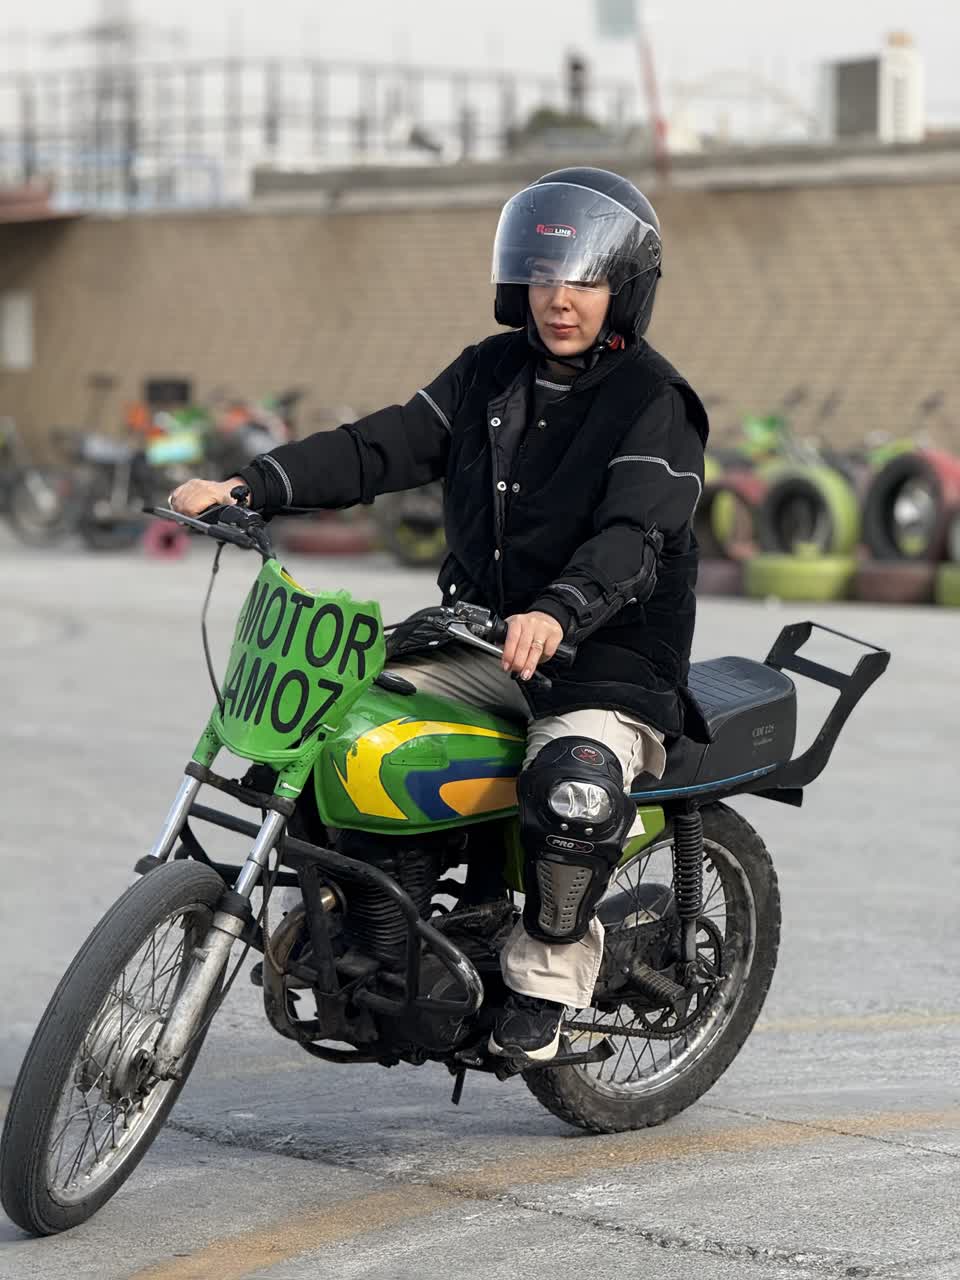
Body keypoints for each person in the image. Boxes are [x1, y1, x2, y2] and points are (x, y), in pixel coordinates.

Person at [171, 166, 709, 1064]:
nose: (560, 300)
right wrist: (251, 485)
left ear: (624, 290)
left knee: (571, 784)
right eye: (545, 277)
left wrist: (560, 609)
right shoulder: (487, 374)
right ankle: (359, 912)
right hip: (480, 640)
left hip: (606, 661)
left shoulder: (656, 401)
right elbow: (378, 447)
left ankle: (546, 981)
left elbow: (633, 536)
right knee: (333, 721)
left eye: (584, 280)